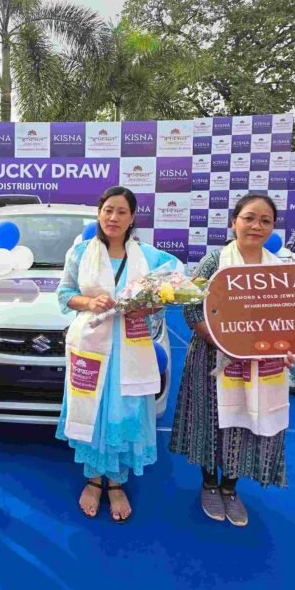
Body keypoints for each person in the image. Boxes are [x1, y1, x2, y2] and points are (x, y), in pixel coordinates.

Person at [168, 193, 295, 528]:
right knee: (214, 421)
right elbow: (190, 306)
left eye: (265, 220)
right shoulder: (214, 262)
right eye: (249, 217)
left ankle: (231, 488)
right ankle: (209, 484)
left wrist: (286, 347)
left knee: (248, 421)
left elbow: (291, 318)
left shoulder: (280, 269)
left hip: (260, 363)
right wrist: (224, 340)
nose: (256, 226)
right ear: (234, 221)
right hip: (214, 359)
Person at [57, 186, 180, 524]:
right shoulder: (80, 253)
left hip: (131, 347)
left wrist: (151, 305)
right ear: (99, 213)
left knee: (124, 411)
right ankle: (95, 479)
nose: (113, 217)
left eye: (121, 212)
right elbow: (65, 293)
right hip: (92, 347)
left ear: (132, 218)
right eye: (108, 210)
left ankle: (117, 483)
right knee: (93, 411)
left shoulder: (151, 257)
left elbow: (174, 289)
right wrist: (89, 301)